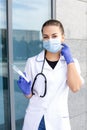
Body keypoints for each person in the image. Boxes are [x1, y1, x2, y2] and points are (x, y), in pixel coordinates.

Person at [17, 19, 84, 130]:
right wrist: (27, 92)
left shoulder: (72, 63)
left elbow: (75, 87)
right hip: (36, 118)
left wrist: (69, 60)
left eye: (54, 36)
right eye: (46, 37)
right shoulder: (32, 62)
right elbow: (31, 96)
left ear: (62, 37)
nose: (50, 40)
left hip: (58, 120)